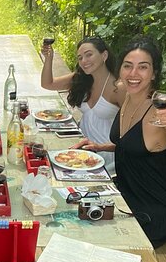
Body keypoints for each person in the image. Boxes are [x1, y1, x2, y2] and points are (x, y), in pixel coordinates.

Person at [79, 37, 166, 246]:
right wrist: (102, 147)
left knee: (99, 245)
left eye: (143, 67)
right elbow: (138, 146)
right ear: (120, 69)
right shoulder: (128, 97)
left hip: (156, 209)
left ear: (154, 73)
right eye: (128, 66)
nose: (133, 74)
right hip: (127, 193)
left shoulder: (163, 109)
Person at [41, 36, 125, 175]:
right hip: (80, 148)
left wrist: (103, 148)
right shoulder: (81, 79)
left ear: (104, 55)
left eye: (89, 55)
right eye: (80, 58)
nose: (84, 61)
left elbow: (132, 132)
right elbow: (47, 84)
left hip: (107, 155)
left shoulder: (118, 87)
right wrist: (49, 58)